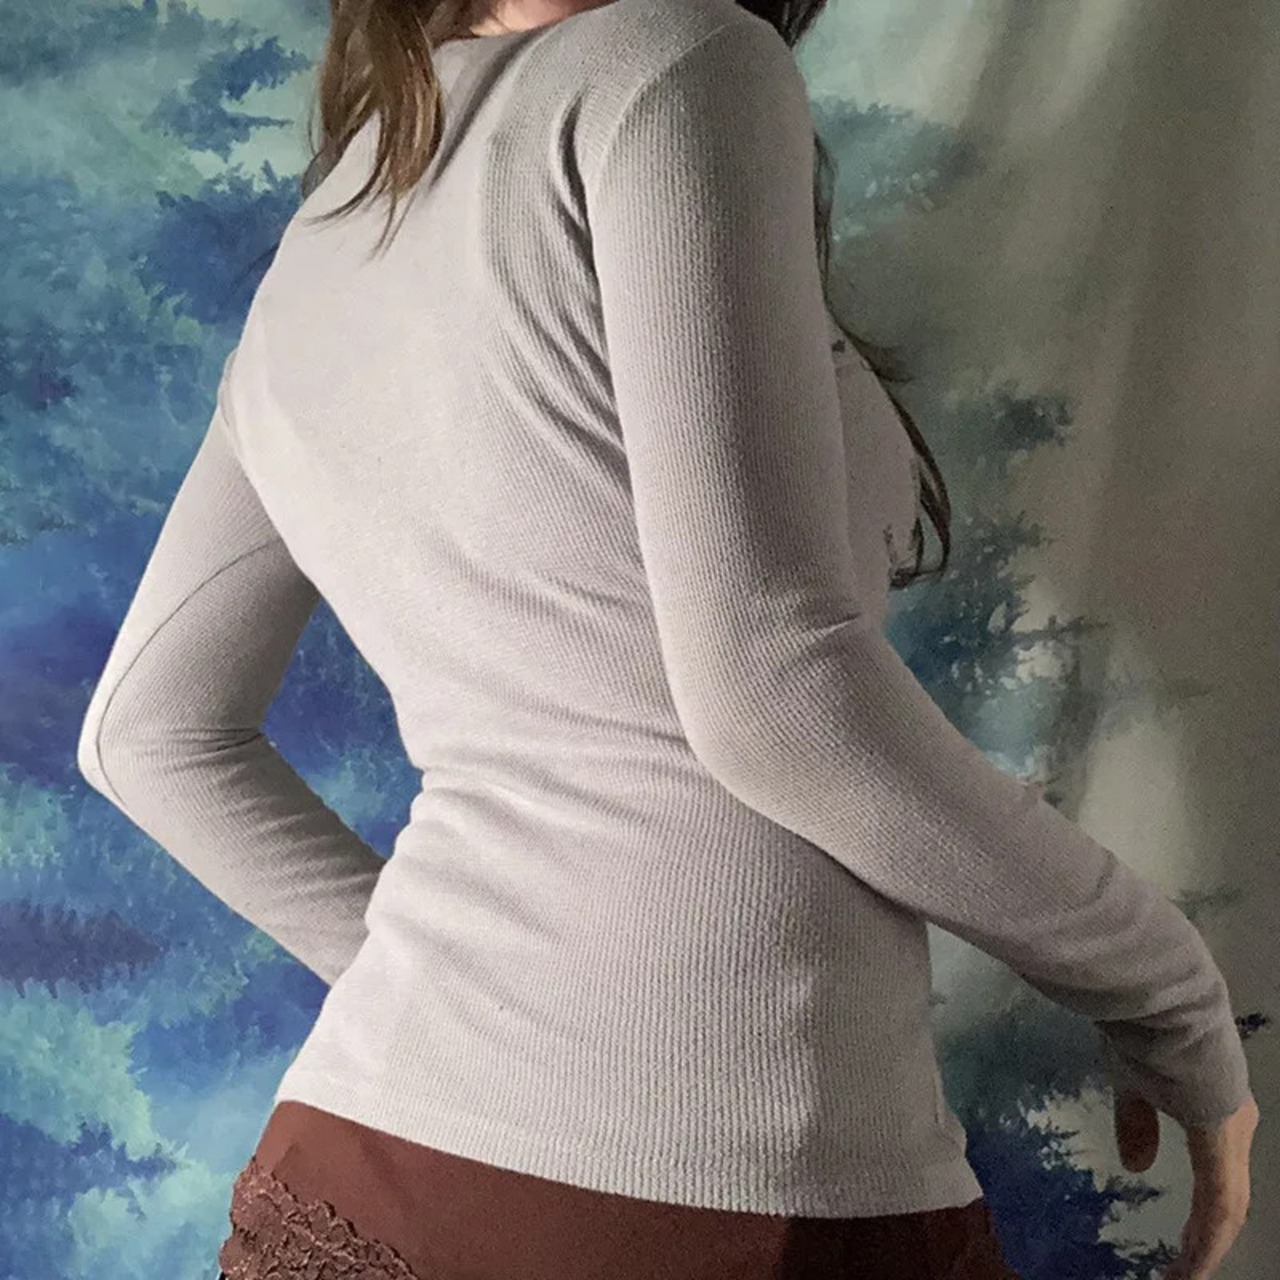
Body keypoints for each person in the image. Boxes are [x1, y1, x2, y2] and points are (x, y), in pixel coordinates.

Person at [76, 0, 1259, 1275]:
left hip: (365, 1160)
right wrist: (1166, 991)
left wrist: (478, 1003)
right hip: (728, 1185)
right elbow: (773, 696)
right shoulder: (681, 62)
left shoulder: (337, 215)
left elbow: (145, 734)